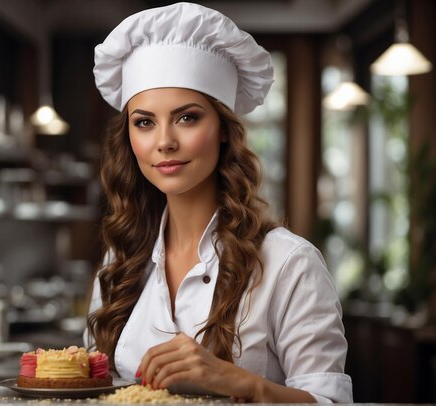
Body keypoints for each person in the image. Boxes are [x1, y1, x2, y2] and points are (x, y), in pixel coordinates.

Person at [84, 2, 352, 403]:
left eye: (187, 117)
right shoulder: (119, 261)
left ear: (223, 130)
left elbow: (331, 402)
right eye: (144, 122)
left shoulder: (289, 263)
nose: (164, 141)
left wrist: (240, 382)